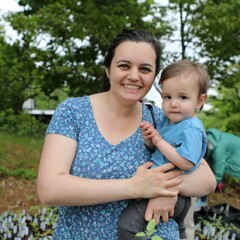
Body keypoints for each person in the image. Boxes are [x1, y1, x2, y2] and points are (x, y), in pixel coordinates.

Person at [37, 29, 216, 240]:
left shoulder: (163, 119)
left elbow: (206, 180)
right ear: (108, 69)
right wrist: (133, 187)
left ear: (154, 76)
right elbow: (49, 189)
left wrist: (165, 189)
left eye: (145, 69)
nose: (134, 76)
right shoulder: (73, 112)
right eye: (124, 65)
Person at [118, 59, 210, 239]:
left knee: (128, 227)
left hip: (172, 192)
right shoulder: (170, 122)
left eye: (182, 97)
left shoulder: (190, 127)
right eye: (168, 97)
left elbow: (186, 162)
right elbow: (161, 151)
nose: (173, 103)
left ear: (199, 101)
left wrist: (159, 141)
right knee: (178, 228)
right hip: (165, 189)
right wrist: (151, 139)